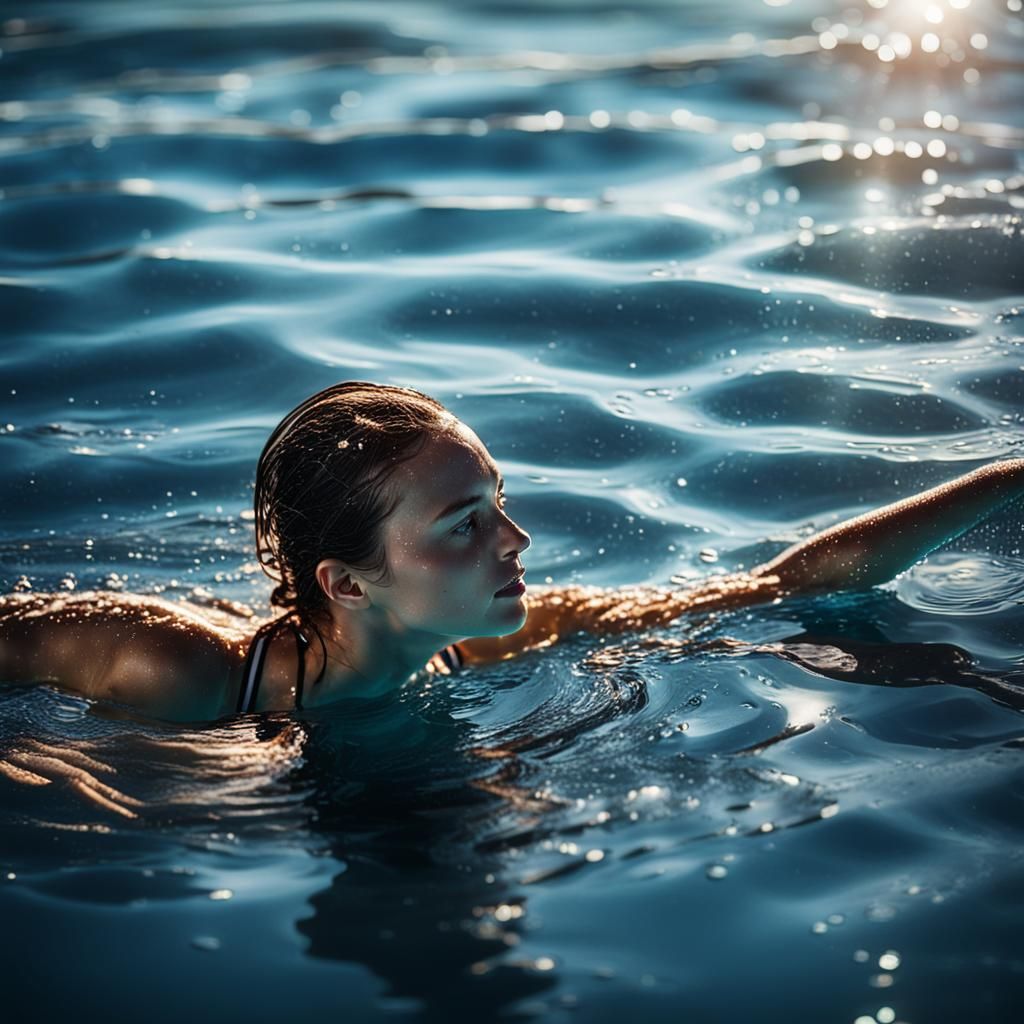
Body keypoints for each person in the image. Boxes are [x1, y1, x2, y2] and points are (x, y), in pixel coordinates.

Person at [2, 380, 1023, 726]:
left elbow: (774, 588)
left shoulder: (495, 642)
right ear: (346, 584)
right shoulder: (169, 666)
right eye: (466, 523)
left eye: (500, 504)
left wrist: (1010, 474)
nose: (517, 540)